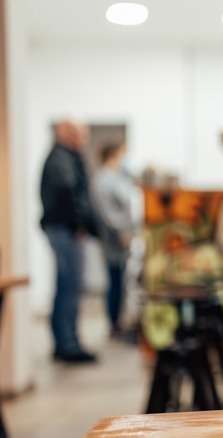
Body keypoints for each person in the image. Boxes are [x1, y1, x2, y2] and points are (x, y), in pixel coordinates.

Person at [40, 119, 99, 363]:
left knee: (65, 286)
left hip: (62, 228)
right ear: (65, 133)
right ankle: (69, 345)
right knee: (70, 287)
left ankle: (64, 343)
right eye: (78, 133)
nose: (82, 139)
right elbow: (68, 191)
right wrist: (78, 224)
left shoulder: (60, 157)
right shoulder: (62, 159)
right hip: (66, 230)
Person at [91, 142, 137, 338]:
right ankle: (113, 323)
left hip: (124, 236)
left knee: (121, 280)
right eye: (123, 155)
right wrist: (121, 232)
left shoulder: (118, 178)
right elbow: (107, 212)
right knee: (115, 280)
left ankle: (119, 320)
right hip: (114, 238)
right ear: (113, 155)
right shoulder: (102, 179)